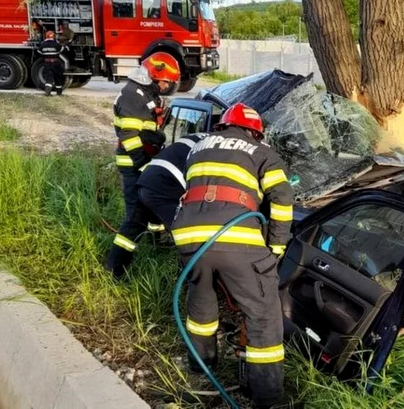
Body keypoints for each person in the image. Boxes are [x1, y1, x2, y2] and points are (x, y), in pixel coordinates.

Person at [171, 103, 294, 409]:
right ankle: (269, 399)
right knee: (263, 314)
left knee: (201, 301)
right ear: (256, 132)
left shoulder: (199, 147)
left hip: (188, 236)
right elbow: (282, 198)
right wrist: (276, 248)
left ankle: (201, 368)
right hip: (234, 235)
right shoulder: (262, 151)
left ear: (223, 126)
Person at [104, 52, 180, 280]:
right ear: (155, 75)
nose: (167, 87)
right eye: (166, 82)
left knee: (152, 207)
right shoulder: (133, 96)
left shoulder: (146, 93)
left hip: (146, 162)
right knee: (136, 216)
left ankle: (157, 243)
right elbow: (129, 135)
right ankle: (115, 268)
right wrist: (142, 164)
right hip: (134, 164)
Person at [136, 132, 209, 231]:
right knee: (186, 230)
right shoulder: (221, 146)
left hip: (146, 178)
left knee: (135, 224)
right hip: (167, 184)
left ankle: (157, 241)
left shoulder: (200, 136)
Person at [38, 31, 64, 96]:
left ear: (46, 36)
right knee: (58, 78)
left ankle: (47, 92)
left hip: (47, 63)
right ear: (53, 36)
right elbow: (61, 50)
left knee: (49, 78)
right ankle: (59, 93)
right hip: (56, 63)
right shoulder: (56, 44)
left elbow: (39, 51)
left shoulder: (42, 44)